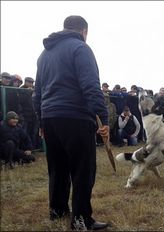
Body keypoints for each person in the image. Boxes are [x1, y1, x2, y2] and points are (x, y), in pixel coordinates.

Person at [32, 15, 109, 230]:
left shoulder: (44, 54)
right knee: (83, 169)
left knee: (57, 168)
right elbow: (91, 87)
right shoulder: (81, 48)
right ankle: (81, 220)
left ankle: (57, 212)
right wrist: (104, 119)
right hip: (75, 116)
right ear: (84, 31)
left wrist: (41, 120)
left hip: (49, 117)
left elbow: (36, 93)